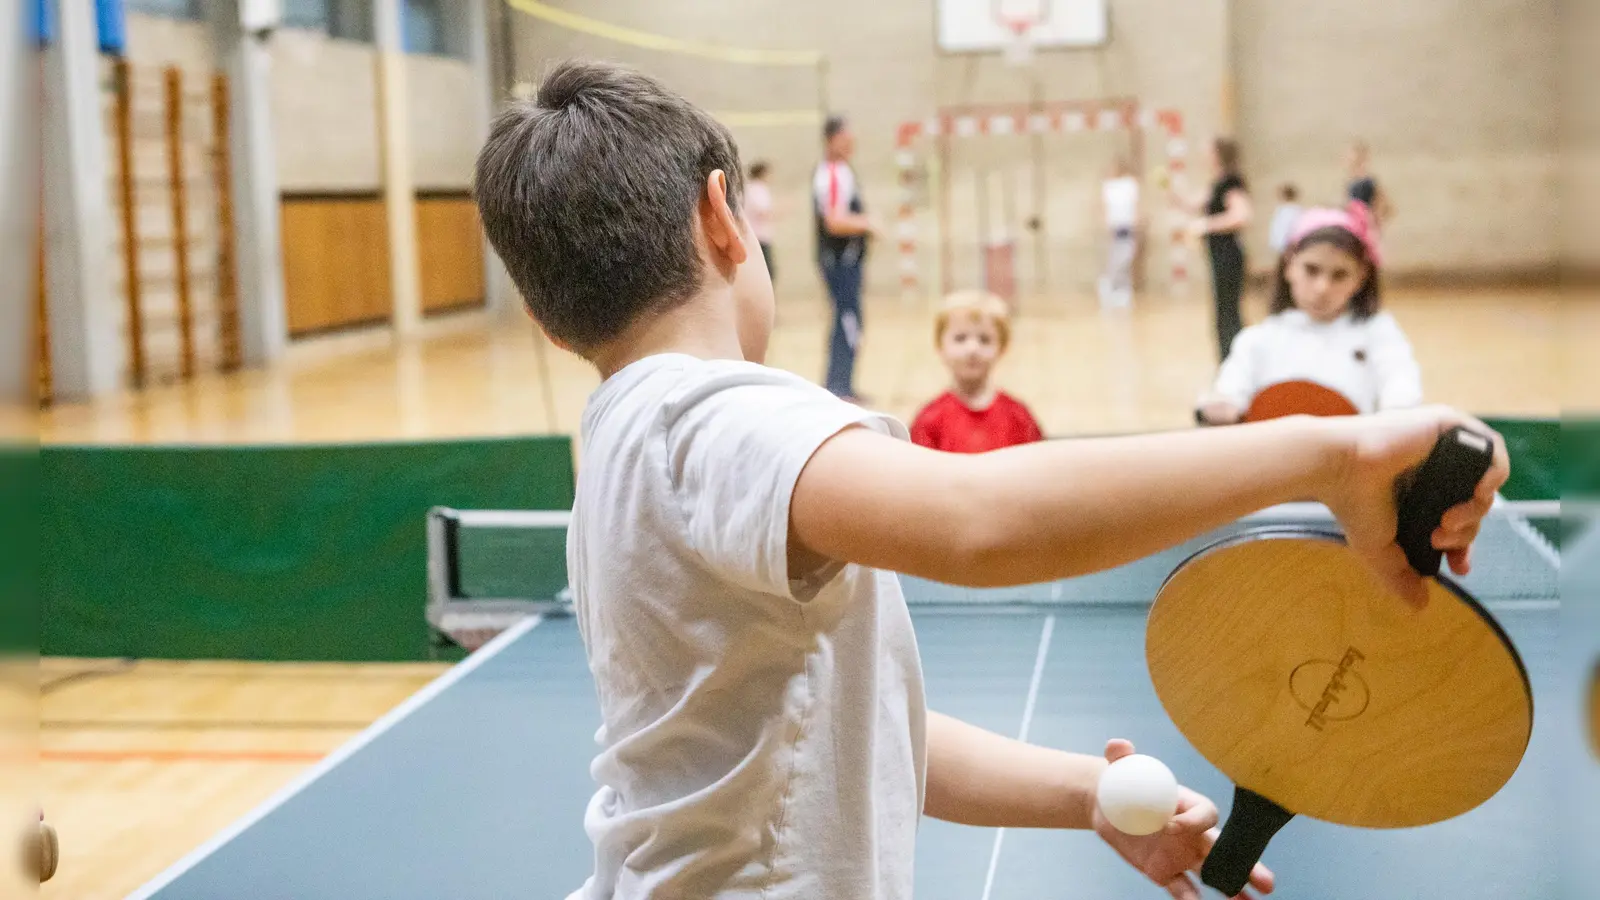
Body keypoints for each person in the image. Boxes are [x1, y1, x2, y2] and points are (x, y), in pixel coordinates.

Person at [472, 59, 1508, 900]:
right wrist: (1335, 454)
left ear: (547, 319)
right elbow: (980, 519)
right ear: (720, 219)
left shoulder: (625, 443)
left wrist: (1085, 794)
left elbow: (850, 734)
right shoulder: (710, 418)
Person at [1197, 200, 1420, 426]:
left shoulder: (1379, 333)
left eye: (1340, 275)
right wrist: (1222, 404)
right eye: (1311, 270)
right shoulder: (1257, 340)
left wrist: (1397, 413)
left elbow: (1401, 384)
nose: (1322, 288)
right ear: (1289, 265)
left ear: (1361, 277)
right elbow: (1231, 390)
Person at [910, 290, 1044, 453]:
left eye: (984, 339)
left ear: (1001, 348)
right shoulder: (929, 420)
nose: (972, 349)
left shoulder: (1019, 417)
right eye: (960, 338)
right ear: (940, 347)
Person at [1173, 137, 1253, 362]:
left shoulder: (1232, 182)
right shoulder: (1216, 183)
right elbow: (1194, 205)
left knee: (1229, 312)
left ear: (1218, 154)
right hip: (1217, 255)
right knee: (1222, 313)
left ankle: (1236, 361)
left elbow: (1242, 215)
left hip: (1229, 255)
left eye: (1207, 150)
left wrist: (1206, 225)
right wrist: (1171, 193)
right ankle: (1226, 362)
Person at [813, 115, 873, 401]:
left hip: (845, 261)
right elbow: (834, 222)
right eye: (846, 140)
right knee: (847, 319)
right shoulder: (834, 173)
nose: (851, 145)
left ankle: (841, 383)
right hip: (839, 262)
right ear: (832, 140)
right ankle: (839, 386)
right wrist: (867, 223)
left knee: (847, 319)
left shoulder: (842, 171)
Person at [1097, 155, 1142, 309]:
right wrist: (1105, 222)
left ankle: (1121, 289)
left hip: (1127, 227)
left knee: (1126, 257)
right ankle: (1110, 287)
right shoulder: (1109, 186)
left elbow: (1135, 204)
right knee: (1115, 259)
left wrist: (1137, 220)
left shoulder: (1129, 184)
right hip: (1115, 228)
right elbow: (1103, 206)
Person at [1346, 140, 1394, 227]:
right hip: (1355, 225)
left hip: (1365, 225)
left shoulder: (1368, 182)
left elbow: (1385, 206)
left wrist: (1374, 219)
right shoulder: (1352, 181)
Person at [747, 160, 776, 282]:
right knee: (767, 273)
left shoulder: (749, 188)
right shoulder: (758, 189)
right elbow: (762, 211)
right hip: (759, 237)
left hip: (755, 236)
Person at [1267, 183, 1303, 256]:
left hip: (1287, 244)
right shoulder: (1283, 210)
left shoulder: (1290, 211)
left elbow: (1285, 228)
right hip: (1285, 244)